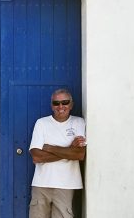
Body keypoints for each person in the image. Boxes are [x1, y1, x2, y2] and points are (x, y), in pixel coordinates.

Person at [29, 88, 86, 218]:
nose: (61, 106)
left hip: (66, 184)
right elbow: (37, 156)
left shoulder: (78, 122)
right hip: (41, 184)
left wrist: (50, 148)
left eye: (65, 102)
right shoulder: (42, 123)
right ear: (52, 105)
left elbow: (79, 154)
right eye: (56, 103)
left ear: (71, 104)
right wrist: (69, 149)